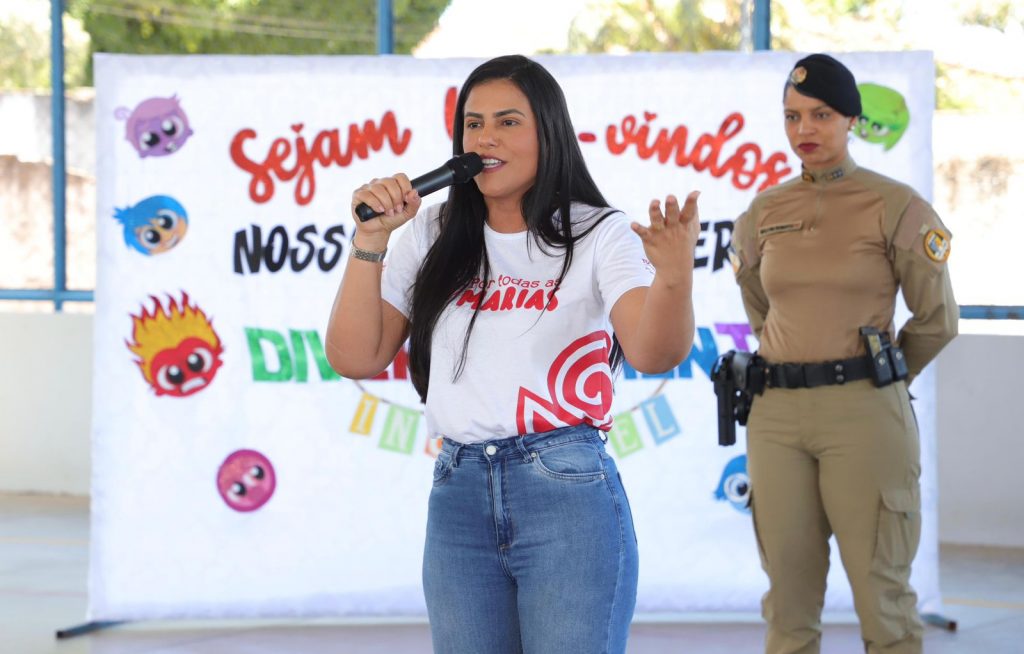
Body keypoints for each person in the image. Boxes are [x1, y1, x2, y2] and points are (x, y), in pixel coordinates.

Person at [325, 55, 700, 654]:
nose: (485, 138)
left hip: (566, 492)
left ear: (548, 133)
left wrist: (675, 278)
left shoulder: (599, 232)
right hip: (458, 490)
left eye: (507, 122)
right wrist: (371, 240)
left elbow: (653, 352)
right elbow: (355, 356)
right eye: (473, 125)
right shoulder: (431, 231)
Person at [729, 53, 958, 654]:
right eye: (793, 116)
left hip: (864, 414)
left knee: (883, 599)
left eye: (821, 114)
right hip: (775, 417)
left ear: (852, 119)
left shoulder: (895, 205)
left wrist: (878, 375)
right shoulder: (762, 213)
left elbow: (936, 320)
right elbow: (761, 309)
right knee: (788, 604)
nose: (805, 129)